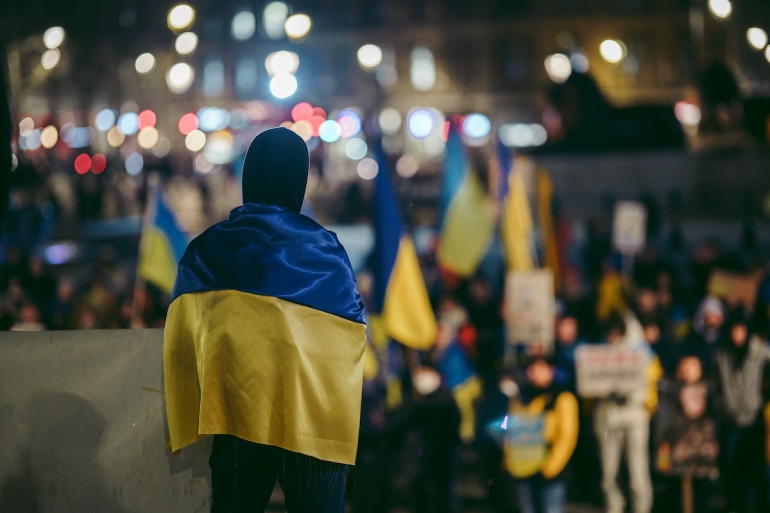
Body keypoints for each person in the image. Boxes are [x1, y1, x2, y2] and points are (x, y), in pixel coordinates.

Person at [164, 128, 367, 513]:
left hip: (237, 415)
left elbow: (182, 341)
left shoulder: (206, 251)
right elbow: (351, 335)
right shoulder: (326, 252)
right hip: (313, 421)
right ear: (299, 180)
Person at [594, 313, 661, 513]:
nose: (613, 338)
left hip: (634, 416)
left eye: (617, 333)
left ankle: (642, 509)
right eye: (610, 334)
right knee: (608, 472)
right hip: (609, 417)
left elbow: (653, 383)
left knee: (638, 472)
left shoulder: (644, 354)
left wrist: (643, 403)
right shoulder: (598, 355)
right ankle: (614, 508)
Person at [503, 357, 579, 513]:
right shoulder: (521, 397)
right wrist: (509, 461)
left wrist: (550, 468)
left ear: (551, 371)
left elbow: (567, 437)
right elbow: (511, 430)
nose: (533, 373)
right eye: (530, 369)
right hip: (524, 469)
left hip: (550, 473)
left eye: (538, 369)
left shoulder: (562, 397)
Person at [713, 309, 770, 513]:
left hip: (753, 421)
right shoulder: (722, 355)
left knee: (756, 472)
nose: (737, 334)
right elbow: (716, 386)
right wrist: (722, 407)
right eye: (734, 329)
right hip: (731, 422)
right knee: (732, 471)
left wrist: (761, 401)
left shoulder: (761, 353)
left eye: (741, 329)